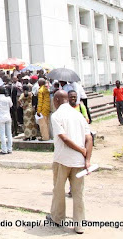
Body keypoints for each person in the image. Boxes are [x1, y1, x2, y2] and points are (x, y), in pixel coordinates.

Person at [46, 90, 92, 234]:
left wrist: (81, 150)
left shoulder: (56, 115)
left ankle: (58, 218)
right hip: (79, 162)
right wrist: (87, 158)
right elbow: (89, 138)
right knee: (78, 193)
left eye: (54, 99)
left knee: (59, 190)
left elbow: (64, 138)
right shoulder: (78, 115)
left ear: (57, 100)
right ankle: (79, 225)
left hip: (62, 159)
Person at [0, 86, 13, 155]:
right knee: (9, 134)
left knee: (2, 134)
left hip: (1, 117)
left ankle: (4, 149)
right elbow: (11, 105)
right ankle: (10, 149)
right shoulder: (8, 98)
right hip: (7, 116)